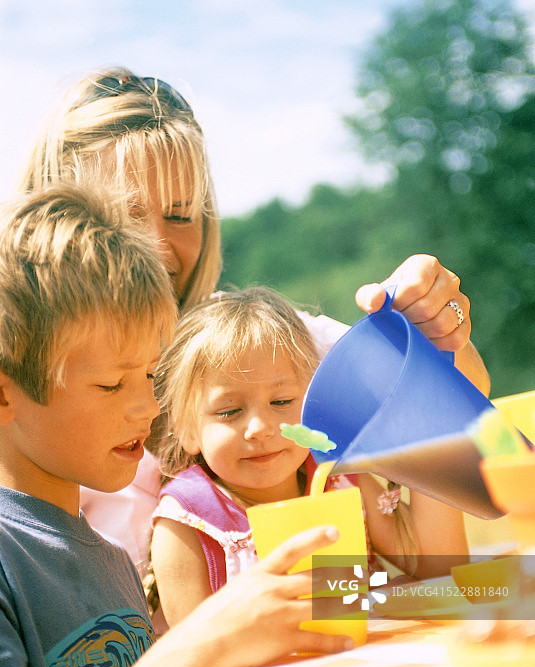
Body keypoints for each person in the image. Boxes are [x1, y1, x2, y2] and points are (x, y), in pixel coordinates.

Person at [20, 66, 490, 581]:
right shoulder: (24, 399)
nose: (157, 247)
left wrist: (437, 332)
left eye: (181, 215)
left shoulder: (256, 342)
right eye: (126, 217)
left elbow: (455, 423)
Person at [0, 184, 353, 667]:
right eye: (113, 385)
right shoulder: (12, 563)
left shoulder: (110, 560)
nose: (147, 406)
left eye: (149, 374)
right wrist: (200, 647)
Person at [149, 287, 468, 627]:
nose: (260, 427)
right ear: (187, 430)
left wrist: (429, 428)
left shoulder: (339, 479)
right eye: (229, 412)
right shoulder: (184, 522)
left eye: (282, 402)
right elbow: (194, 651)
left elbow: (438, 568)